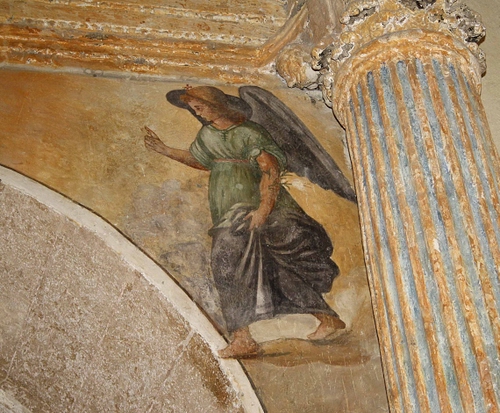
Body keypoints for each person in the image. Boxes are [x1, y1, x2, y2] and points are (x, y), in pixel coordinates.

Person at [144, 86, 345, 358]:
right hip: (228, 209)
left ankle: (242, 338)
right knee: (274, 268)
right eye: (193, 108)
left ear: (215, 104)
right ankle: (327, 318)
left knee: (225, 261)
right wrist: (165, 150)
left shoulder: (250, 132)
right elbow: (202, 160)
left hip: (255, 206)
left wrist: (263, 210)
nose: (196, 112)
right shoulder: (207, 135)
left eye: (199, 106)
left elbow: (270, 169)